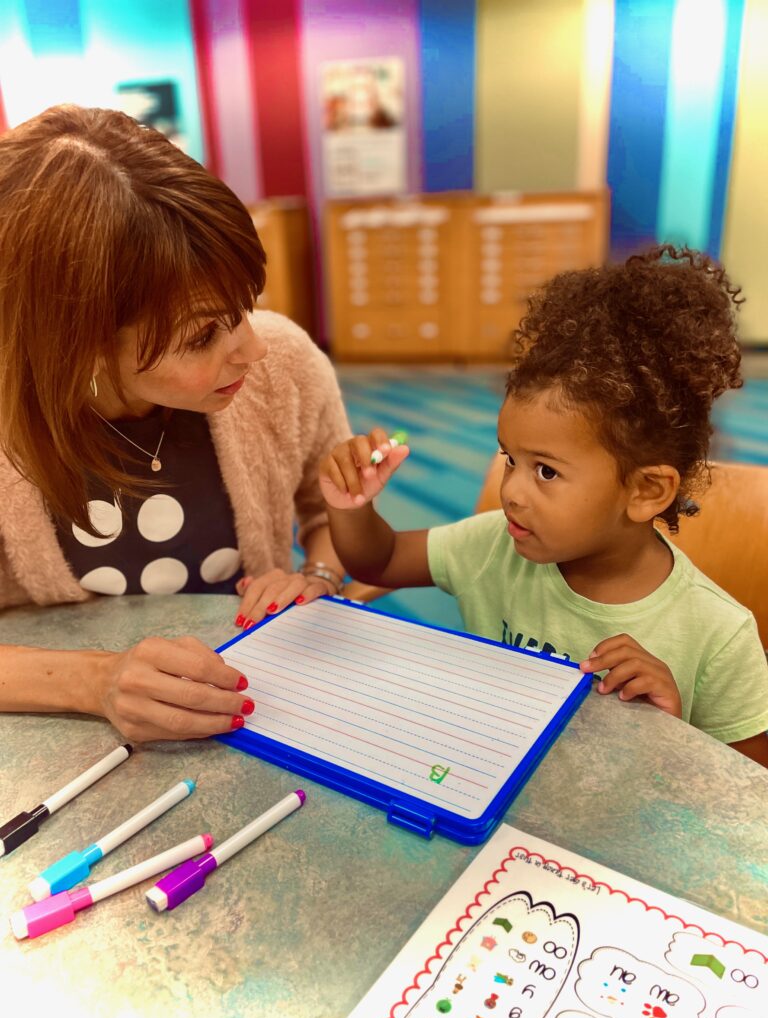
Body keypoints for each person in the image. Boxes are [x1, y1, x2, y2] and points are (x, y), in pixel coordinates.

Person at [319, 246, 768, 768]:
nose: (511, 490)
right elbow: (379, 560)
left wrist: (670, 734)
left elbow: (749, 789)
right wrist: (350, 507)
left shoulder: (718, 636)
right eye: (510, 459)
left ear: (646, 491)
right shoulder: (495, 545)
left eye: (546, 471)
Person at [0, 105, 350, 742]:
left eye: (245, 305)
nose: (253, 349)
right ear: (76, 346)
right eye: (201, 336)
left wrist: (317, 577)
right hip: (60, 741)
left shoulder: (285, 367)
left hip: (253, 709)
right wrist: (94, 681)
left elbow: (329, 516)